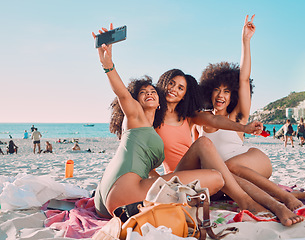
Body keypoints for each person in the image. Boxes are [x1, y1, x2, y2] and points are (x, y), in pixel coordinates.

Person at [92, 24, 224, 219]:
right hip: (122, 191)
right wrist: (107, 65)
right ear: (136, 100)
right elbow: (122, 94)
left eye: (153, 91)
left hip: (106, 193)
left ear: (160, 101)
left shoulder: (153, 129)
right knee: (216, 178)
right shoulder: (135, 116)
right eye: (143, 92)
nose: (149, 93)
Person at [194, 15, 305, 222]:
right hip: (226, 181)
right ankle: (288, 195)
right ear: (208, 91)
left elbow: (243, 78)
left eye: (226, 91)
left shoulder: (238, 117)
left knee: (229, 168)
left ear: (232, 94)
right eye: (216, 89)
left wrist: (245, 41)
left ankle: (283, 199)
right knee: (223, 172)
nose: (220, 95)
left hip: (252, 162)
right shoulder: (201, 119)